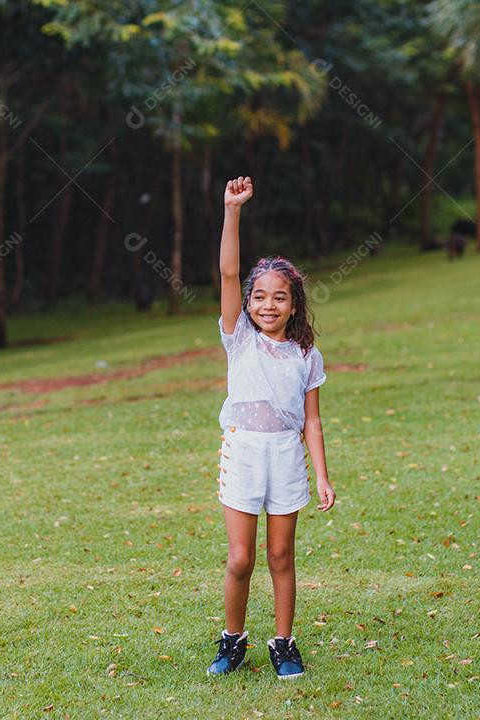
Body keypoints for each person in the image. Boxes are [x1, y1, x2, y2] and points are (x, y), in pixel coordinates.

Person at [207, 175, 336, 680]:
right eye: (258, 296)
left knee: (281, 554)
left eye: (278, 298)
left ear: (294, 303)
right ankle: (232, 639)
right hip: (242, 453)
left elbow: (312, 419)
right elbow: (227, 271)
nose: (267, 305)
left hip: (285, 456)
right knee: (241, 558)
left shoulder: (306, 353)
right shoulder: (237, 336)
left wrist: (322, 475)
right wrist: (232, 210)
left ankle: (284, 643)